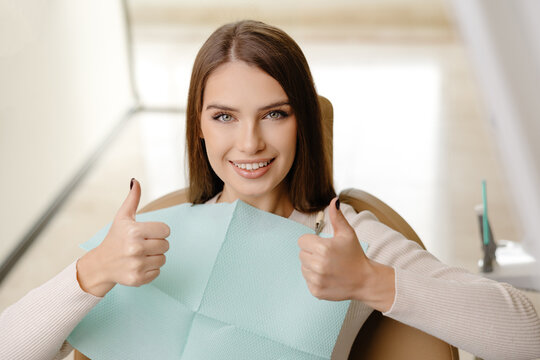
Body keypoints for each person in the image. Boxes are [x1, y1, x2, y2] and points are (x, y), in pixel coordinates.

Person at [1, 19, 540, 360]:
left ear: (302, 121)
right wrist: (90, 272)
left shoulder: (346, 240)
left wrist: (372, 281)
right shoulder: (149, 237)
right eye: (225, 117)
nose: (250, 143)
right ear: (200, 126)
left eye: (274, 114)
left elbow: (529, 336)